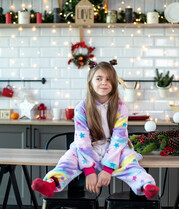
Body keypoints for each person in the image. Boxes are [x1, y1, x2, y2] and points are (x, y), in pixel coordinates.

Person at [31, 60, 159, 199]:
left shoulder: (120, 107)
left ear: (114, 84)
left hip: (114, 147)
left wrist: (108, 169)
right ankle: (51, 183)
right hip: (88, 148)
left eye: (108, 79)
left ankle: (146, 184)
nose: (104, 82)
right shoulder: (81, 108)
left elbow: (119, 138)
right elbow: (82, 140)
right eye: (99, 78)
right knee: (68, 159)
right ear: (90, 82)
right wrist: (89, 170)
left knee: (130, 162)